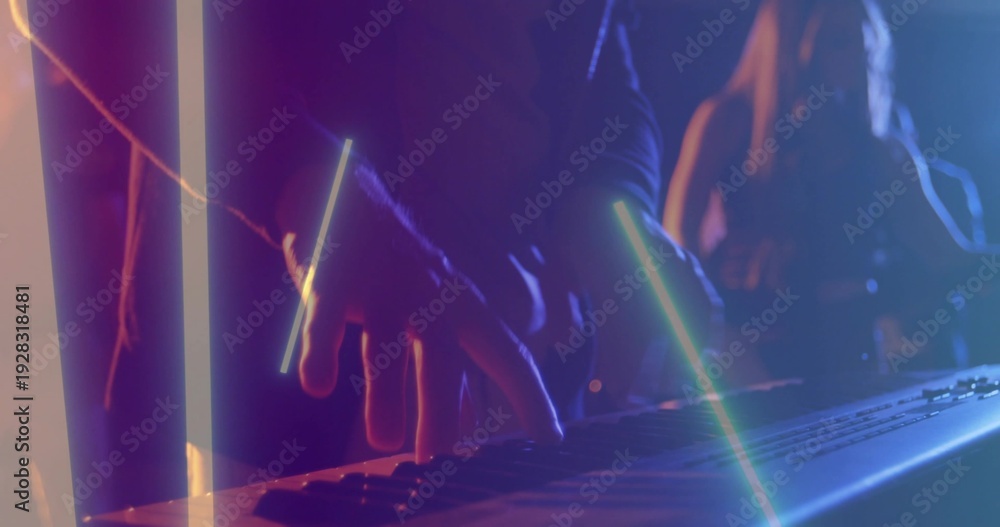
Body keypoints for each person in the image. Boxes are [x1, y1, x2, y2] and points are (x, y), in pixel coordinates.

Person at [663, 0, 991, 379]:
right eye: (839, 40)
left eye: (865, 43)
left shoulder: (879, 147)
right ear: (791, 44)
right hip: (750, 353)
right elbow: (679, 241)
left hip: (850, 353)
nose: (858, 55)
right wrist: (718, 336)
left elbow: (947, 254)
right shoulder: (728, 120)